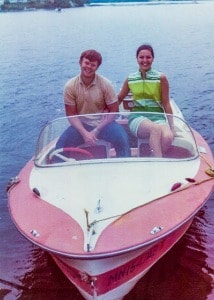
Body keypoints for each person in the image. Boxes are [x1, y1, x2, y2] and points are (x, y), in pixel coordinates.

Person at [56, 49, 130, 157]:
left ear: (97, 67)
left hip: (103, 125)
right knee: (60, 147)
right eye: (86, 63)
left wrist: (96, 130)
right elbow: (71, 114)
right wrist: (84, 133)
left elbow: (114, 110)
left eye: (93, 65)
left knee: (122, 138)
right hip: (81, 126)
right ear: (80, 62)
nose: (89, 67)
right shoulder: (70, 86)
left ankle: (124, 168)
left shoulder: (105, 84)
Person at [118, 44, 174, 157]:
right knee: (155, 129)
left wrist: (172, 127)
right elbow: (118, 99)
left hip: (157, 117)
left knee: (168, 137)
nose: (144, 60)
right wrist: (106, 116)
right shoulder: (131, 78)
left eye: (148, 57)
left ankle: (152, 159)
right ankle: (159, 166)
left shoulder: (161, 78)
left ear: (153, 59)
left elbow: (166, 103)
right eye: (141, 57)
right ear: (137, 59)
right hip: (137, 117)